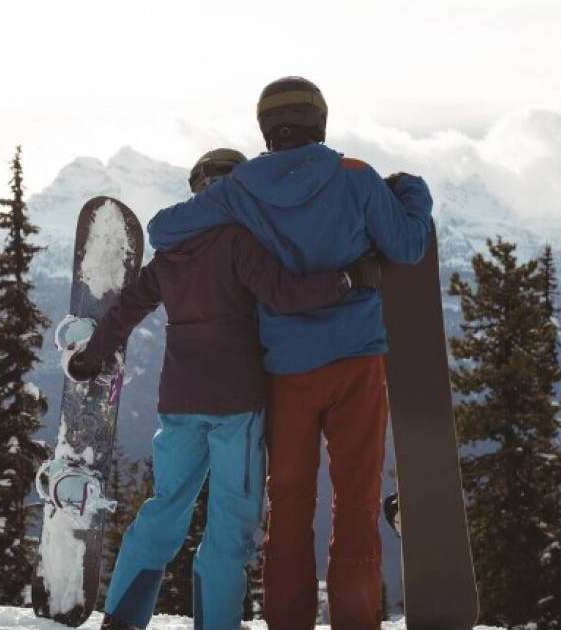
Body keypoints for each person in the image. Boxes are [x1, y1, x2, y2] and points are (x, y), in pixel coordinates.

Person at [145, 77, 434, 630]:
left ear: (265, 128)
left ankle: (288, 620)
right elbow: (408, 246)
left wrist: (219, 202)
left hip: (286, 370)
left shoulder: (243, 188)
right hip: (356, 361)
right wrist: (413, 190)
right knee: (357, 499)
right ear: (318, 122)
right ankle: (355, 620)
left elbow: (162, 230)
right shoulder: (356, 177)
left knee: (291, 503)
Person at [66, 147, 383, 630]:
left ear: (197, 189)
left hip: (178, 406)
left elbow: (128, 308)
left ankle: (123, 619)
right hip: (237, 406)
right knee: (229, 529)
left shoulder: (171, 253)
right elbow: (285, 295)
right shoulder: (239, 242)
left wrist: (92, 356)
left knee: (165, 507)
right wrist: (346, 279)